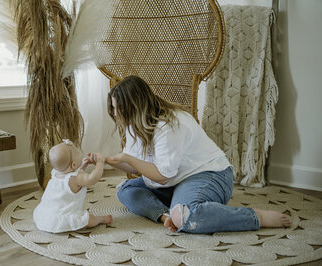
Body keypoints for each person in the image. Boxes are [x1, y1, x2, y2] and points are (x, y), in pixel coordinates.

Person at [105, 75, 291, 234]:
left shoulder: (168, 125)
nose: (114, 113)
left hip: (209, 175)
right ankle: (166, 215)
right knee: (125, 190)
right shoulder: (134, 126)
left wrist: (125, 158)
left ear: (133, 106)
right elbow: (136, 164)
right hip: (175, 180)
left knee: (188, 217)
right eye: (112, 108)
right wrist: (109, 160)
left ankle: (255, 217)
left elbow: (162, 176)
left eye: (116, 108)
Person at [33, 139, 112, 233]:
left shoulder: (56, 173)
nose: (79, 152)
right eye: (77, 152)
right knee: (88, 219)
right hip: (64, 217)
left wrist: (81, 167)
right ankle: (100, 219)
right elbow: (92, 178)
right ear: (73, 164)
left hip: (46, 215)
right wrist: (100, 163)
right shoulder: (75, 178)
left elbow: (71, 173)